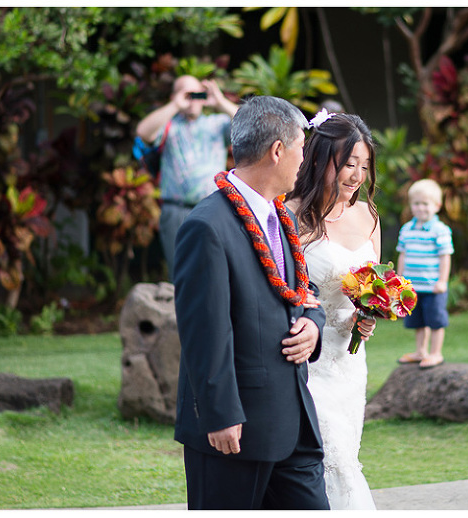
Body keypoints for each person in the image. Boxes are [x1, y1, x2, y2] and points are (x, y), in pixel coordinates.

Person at [172, 96, 330, 510]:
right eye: (301, 146)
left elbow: (303, 291)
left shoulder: (284, 219)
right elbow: (204, 329)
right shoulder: (206, 226)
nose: (305, 158)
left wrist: (314, 324)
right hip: (235, 430)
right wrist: (220, 413)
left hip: (293, 423)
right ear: (278, 150)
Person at [285, 109, 379, 510]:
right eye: (348, 164)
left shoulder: (367, 213)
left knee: (346, 457)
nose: (357, 175)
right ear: (322, 160)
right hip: (307, 364)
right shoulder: (289, 215)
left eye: (364, 165)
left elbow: (375, 283)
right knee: (327, 461)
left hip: (349, 365)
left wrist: (369, 313)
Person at [136, 75, 239, 279]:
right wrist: (175, 105)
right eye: (186, 94)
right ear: (175, 95)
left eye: (196, 93)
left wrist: (220, 102)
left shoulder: (217, 123)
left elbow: (251, 126)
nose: (192, 99)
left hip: (213, 209)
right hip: (176, 210)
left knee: (215, 273)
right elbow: (143, 132)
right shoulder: (169, 125)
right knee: (181, 274)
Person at [395, 179, 454, 369]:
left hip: (433, 286)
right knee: (418, 321)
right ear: (411, 205)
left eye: (425, 204)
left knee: (435, 321)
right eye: (416, 204)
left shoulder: (440, 230)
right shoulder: (406, 230)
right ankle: (421, 351)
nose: (420, 208)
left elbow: (445, 257)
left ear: (437, 206)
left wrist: (442, 281)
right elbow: (402, 254)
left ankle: (436, 353)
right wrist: (399, 279)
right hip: (413, 287)